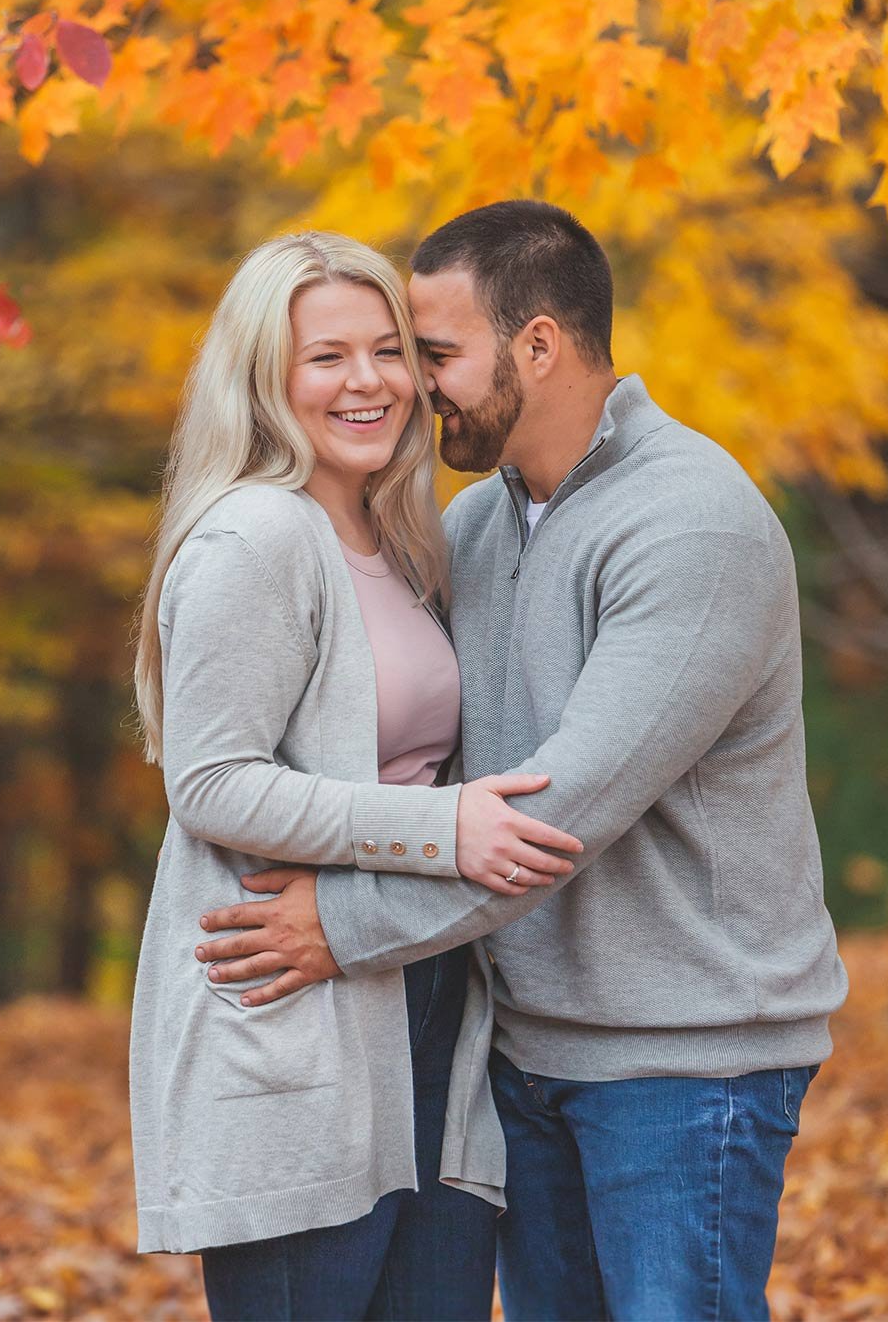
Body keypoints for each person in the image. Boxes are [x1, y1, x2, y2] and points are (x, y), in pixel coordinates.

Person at [192, 201, 848, 1322]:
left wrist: (336, 925)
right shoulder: (479, 529)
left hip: (681, 1067)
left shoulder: (691, 526)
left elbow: (550, 818)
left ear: (535, 346)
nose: (410, 385)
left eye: (429, 353)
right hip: (522, 1058)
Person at [127, 231, 586, 1322]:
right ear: (264, 377)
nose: (369, 381)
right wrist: (443, 829)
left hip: (423, 1000)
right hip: (293, 1011)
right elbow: (214, 784)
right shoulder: (254, 536)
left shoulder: (401, 539)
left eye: (388, 350)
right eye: (326, 356)